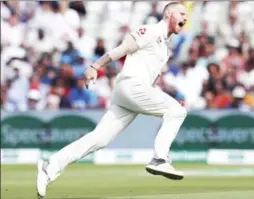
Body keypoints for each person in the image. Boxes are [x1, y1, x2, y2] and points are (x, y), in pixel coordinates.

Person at [36, 2, 188, 198]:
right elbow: (122, 49)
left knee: (99, 139)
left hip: (132, 92)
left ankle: (49, 167)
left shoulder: (165, 48)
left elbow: (151, 81)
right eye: (181, 13)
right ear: (168, 14)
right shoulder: (151, 31)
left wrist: (169, 101)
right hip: (131, 86)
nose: (185, 17)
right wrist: (95, 66)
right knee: (177, 112)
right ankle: (160, 159)